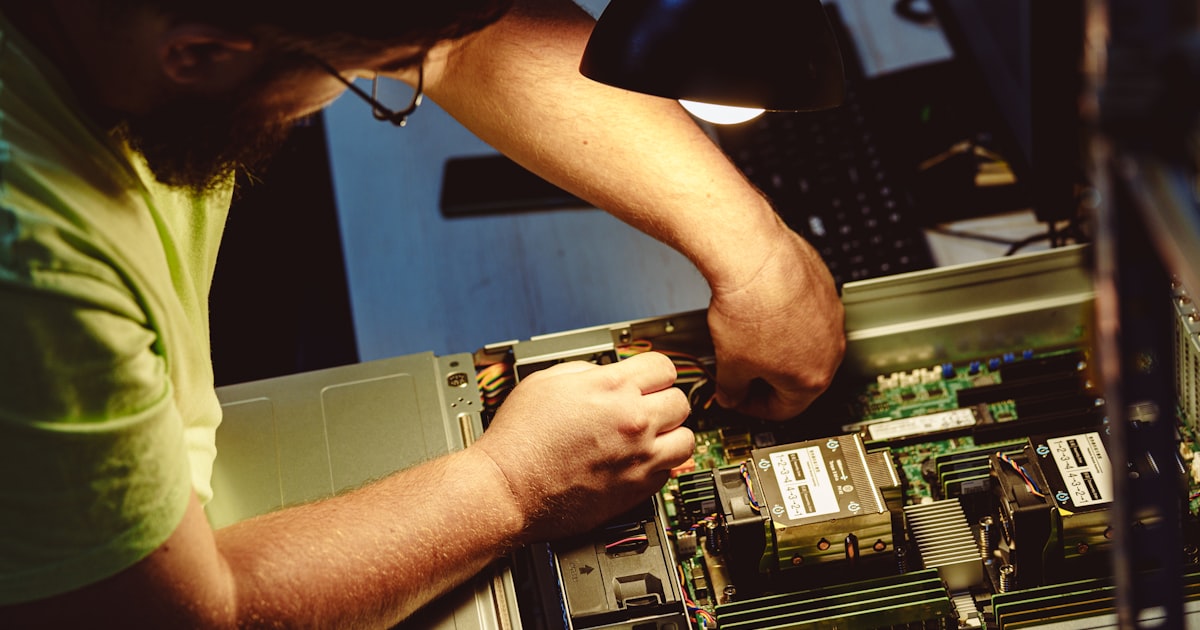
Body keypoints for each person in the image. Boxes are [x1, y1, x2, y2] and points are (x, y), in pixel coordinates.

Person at [0, 0, 844, 626]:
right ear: (202, 52)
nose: (393, 77)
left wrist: (757, 251)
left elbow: (461, 44)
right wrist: (508, 486)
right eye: (365, 78)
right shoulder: (36, 273)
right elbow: (172, 620)